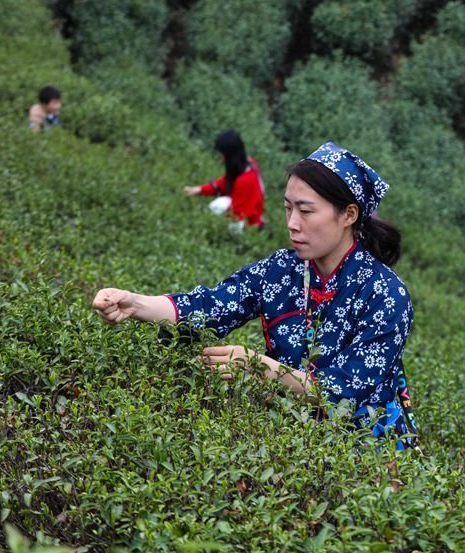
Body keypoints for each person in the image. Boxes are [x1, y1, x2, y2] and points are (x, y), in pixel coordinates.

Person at [94, 142, 417, 447]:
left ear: (349, 215)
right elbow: (209, 306)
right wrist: (134, 303)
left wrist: (256, 366)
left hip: (368, 453)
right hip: (287, 437)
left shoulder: (386, 295)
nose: (292, 223)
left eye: (306, 211)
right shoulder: (281, 270)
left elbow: (340, 393)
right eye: (288, 208)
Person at [183, 130, 265, 231]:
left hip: (249, 224)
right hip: (249, 218)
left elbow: (239, 213)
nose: (221, 157)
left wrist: (212, 224)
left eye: (222, 154)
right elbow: (225, 183)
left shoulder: (245, 180)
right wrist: (200, 190)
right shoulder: (248, 163)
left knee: (217, 206)